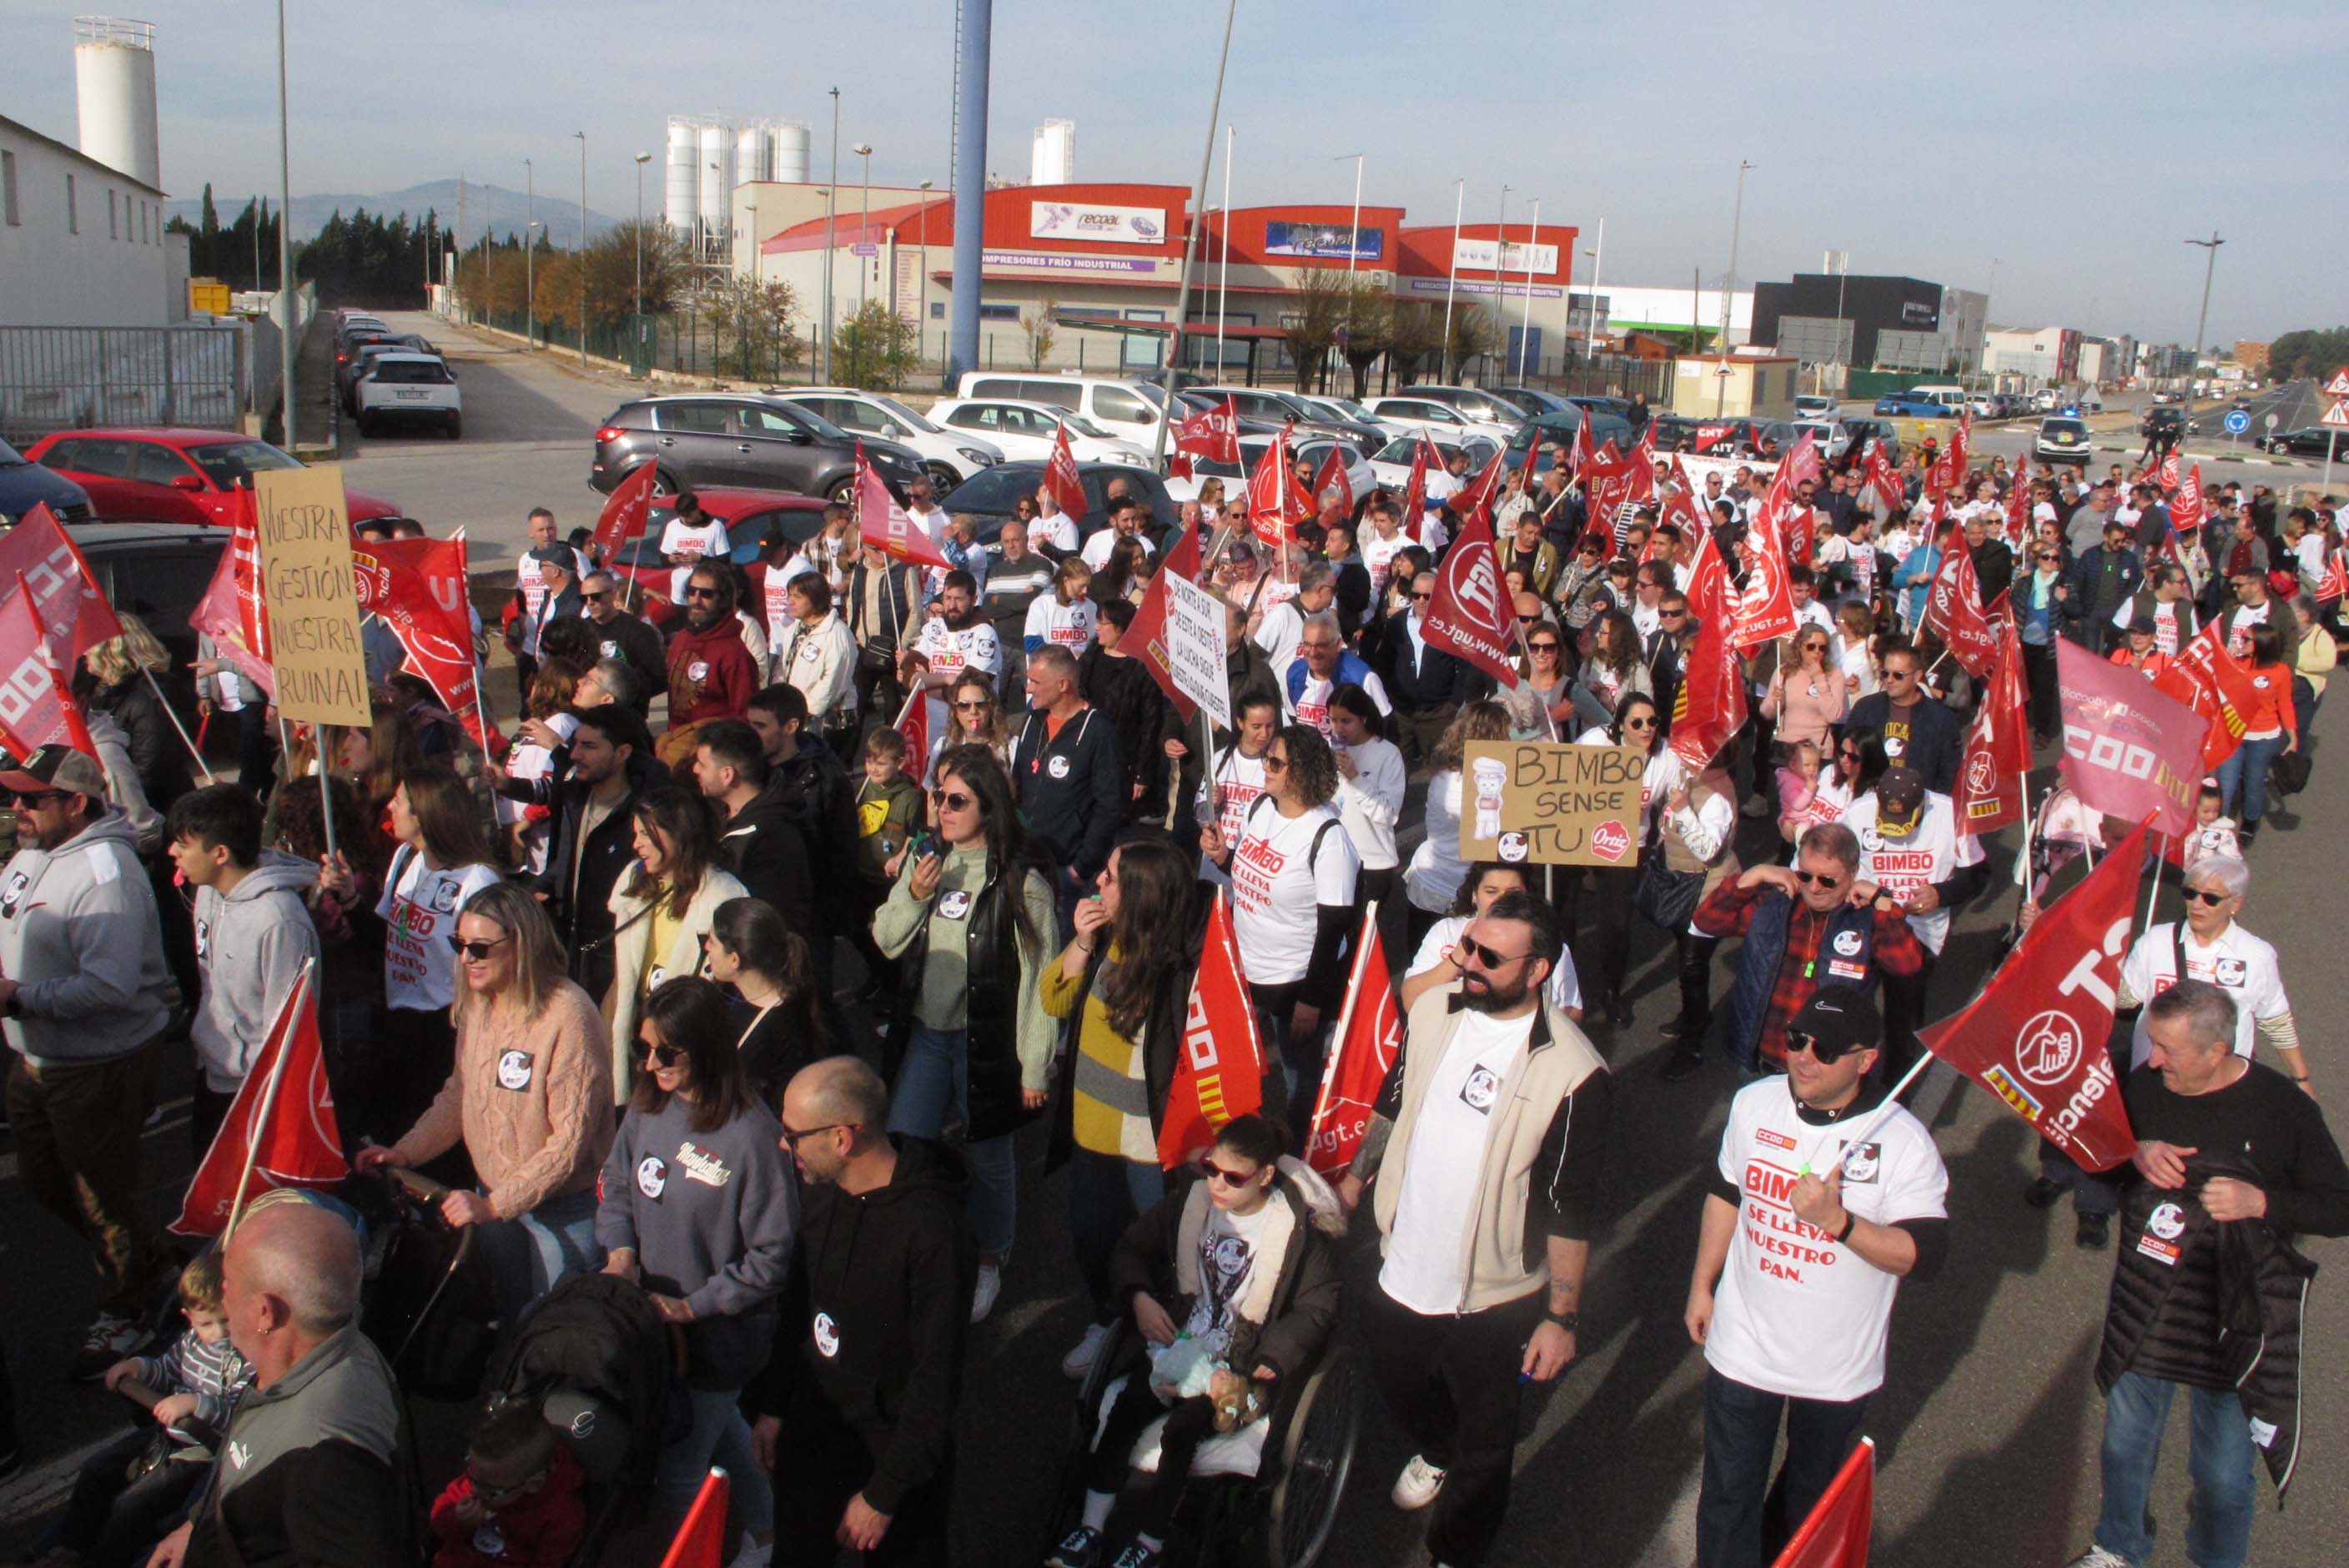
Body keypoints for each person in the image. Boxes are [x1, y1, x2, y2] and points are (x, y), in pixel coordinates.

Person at [1341, 890, 1612, 1568]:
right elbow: (1393, 1096)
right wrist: (1355, 1177)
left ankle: (1456, 1552)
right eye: (1465, 947)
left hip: (1494, 1299)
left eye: (1489, 957)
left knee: (1487, 1448)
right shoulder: (1434, 1009)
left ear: (1538, 970)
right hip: (1400, 1264)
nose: (1467, 964)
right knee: (1403, 1388)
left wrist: (1562, 1317)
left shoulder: (1577, 1074)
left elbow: (1569, 1205)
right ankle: (1437, 1449)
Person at [2061, 982, 2349, 1568]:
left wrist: (2261, 1202)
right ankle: (2119, 1547)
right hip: (2148, 1303)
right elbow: (2094, 1158)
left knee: (2221, 1476)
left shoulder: (2283, 1108)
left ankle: (2217, 1560)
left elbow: (2339, 1205)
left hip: (2237, 1314)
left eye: (2168, 1048)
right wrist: (2133, 1151)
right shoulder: (2143, 1087)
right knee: (2124, 1448)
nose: (2155, 1059)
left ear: (2217, 1051)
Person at [1686, 986, 1949, 1568]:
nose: (1803, 1056)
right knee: (1727, 1497)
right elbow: (1728, 1192)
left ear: (1866, 1060)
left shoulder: (1902, 1142)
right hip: (1743, 1345)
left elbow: (1925, 1256)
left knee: (1809, 1507)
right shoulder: (1755, 1104)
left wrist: (1840, 1223)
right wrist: (1703, 1283)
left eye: (1825, 1049)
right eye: (1797, 1039)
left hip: (1835, 1370)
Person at [1049, 1115, 1344, 1568]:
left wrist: (1275, 1357)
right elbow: (1129, 1249)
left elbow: (1318, 1305)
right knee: (1127, 1409)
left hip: (1240, 1358)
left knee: (1182, 1430)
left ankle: (1149, 1545)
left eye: (1233, 1177)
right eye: (1211, 1169)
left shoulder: (1293, 1232)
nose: (1217, 1185)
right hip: (1179, 1340)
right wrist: (1141, 1297)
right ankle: (1089, 1529)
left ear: (1265, 1176)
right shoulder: (1188, 1205)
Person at [757, 1057, 975, 1567]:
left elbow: (936, 1377)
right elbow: (797, 1304)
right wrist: (774, 1405)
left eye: (792, 1133)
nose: (782, 1145)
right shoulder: (823, 1193)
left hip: (893, 1449)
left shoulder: (934, 1234)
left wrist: (885, 1493)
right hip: (816, 1428)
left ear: (841, 1138)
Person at [598, 977, 795, 1541]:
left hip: (715, 1341)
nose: (650, 1063)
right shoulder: (646, 1104)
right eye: (644, 1048)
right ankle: (768, 1530)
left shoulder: (754, 1138)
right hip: (652, 1330)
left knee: (679, 1472)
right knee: (722, 1429)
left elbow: (772, 1257)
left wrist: (693, 1308)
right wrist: (621, 1254)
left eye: (665, 1052)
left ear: (705, 1048)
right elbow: (615, 1185)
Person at [0, 744, 174, 1377]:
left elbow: (110, 987)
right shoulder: (32, 853)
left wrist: (19, 997)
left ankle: (125, 1313)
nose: (17, 808)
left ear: (76, 803)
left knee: (101, 1196)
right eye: (13, 796)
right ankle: (148, 1258)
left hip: (97, 1064)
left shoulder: (106, 872)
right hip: (37, 1059)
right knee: (48, 1183)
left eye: (32, 799)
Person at [358, 883, 613, 1315]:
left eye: (480, 948)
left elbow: (570, 1143)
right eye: (459, 945)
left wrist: (495, 1206)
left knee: (551, 1329)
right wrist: (405, 1152)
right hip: (494, 1202)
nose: (466, 959)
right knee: (511, 1319)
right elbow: (460, 1094)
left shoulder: (569, 1014)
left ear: (523, 944)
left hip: (559, 1212)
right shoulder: (478, 1002)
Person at [873, 745, 1057, 1324]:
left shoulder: (1021, 885)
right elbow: (886, 940)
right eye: (938, 797)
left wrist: (1033, 1066)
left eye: (957, 801)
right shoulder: (925, 861)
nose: (943, 810)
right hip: (928, 1035)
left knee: (990, 1159)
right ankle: (911, 1249)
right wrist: (914, 894)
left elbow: (1039, 985)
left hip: (986, 1044)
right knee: (905, 1141)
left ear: (988, 808)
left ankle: (988, 1257)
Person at [156, 1202, 407, 1568]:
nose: (221, 1297)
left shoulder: (326, 1455)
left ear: (264, 1312)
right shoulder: (312, 1356)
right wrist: (197, 1524)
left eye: (227, 1284)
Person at [1039, 839, 1204, 1380]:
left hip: (1147, 1145)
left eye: (1110, 878)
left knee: (1157, 1250)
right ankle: (1108, 1320)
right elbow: (1052, 1001)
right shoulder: (1104, 939)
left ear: (1140, 895)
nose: (1097, 885)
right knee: (1090, 1235)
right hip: (1091, 1129)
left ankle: (1158, 1344)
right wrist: (1080, 945)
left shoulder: (1183, 974)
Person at [326, 763, 500, 1165]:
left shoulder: (477, 880)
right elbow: (387, 939)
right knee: (396, 1136)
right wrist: (351, 900)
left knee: (440, 1146)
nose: (390, 806)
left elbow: (489, 968)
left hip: (445, 1029)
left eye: (400, 800)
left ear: (425, 812)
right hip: (398, 1021)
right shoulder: (407, 857)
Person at [1198, 724, 1361, 1124]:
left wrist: (1312, 998)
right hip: (1248, 969)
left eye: (1275, 761)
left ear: (1300, 772)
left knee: (1299, 1079)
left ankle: (1298, 1153)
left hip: (1294, 983)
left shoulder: (1328, 837)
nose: (1264, 766)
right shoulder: (1261, 808)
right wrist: (1224, 857)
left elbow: (1334, 926)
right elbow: (1249, 873)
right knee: (1238, 1063)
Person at [57, 1254, 252, 1568]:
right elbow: (166, 1369)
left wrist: (196, 1405)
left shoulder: (247, 1357)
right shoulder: (191, 1343)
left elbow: (242, 1415)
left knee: (130, 1507)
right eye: (207, 1324)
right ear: (188, 1317)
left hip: (202, 1453)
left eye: (226, 1321)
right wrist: (138, 1368)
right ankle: (65, 1547)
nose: (219, 1333)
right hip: (167, 1435)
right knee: (98, 1469)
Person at [1688, 823, 1929, 1078]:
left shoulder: (1867, 920)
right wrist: (1751, 877)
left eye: (1827, 880)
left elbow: (1908, 965)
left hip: (1827, 1068)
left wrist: (1884, 904)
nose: (1814, 887)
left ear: (1854, 872)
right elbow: (1706, 921)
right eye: (1805, 876)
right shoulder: (1772, 905)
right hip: (1763, 1060)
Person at [167, 783, 320, 1158]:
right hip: (213, 1075)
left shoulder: (280, 920)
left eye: (183, 845)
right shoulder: (207, 892)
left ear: (220, 853)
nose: (172, 852)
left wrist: (271, 1100)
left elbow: (290, 1028)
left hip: (254, 1093)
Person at [1839, 765, 1987, 1083]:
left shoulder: (1952, 815)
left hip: (1920, 934)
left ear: (1923, 806)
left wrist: (1941, 893)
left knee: (1903, 1019)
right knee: (1851, 1006)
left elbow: (1978, 875)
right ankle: (1848, 1081)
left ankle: (1896, 1089)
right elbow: (1839, 862)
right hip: (1866, 925)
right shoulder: (1857, 813)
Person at [604, 787, 748, 1100]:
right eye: (636, 834)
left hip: (687, 1044)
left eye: (645, 834)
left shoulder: (722, 896)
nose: (636, 844)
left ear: (678, 833)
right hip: (640, 1033)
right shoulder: (634, 880)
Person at [529, 705, 662, 1006]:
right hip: (568, 953)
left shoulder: (645, 815)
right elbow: (564, 865)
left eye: (589, 746)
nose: (575, 755)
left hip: (616, 963)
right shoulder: (574, 799)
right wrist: (540, 889)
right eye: (575, 744)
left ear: (622, 753)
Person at [1010, 646, 1124, 928]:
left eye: (1036, 682)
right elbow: (1019, 786)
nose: (1028, 688)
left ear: (1063, 685)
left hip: (1067, 872)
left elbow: (1110, 807)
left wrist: (1079, 868)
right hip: (1025, 863)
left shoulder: (1098, 731)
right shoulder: (1032, 722)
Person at [1401, 861, 1582, 1020]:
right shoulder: (1446, 931)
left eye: (1513, 892)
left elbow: (1572, 1010)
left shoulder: (1545, 943)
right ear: (1474, 895)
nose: (1501, 900)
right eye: (1491, 891)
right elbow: (1411, 1002)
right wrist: (1459, 955)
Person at [692, 718, 817, 943]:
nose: (695, 769)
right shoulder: (720, 813)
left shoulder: (773, 837)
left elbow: (769, 920)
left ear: (727, 774)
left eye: (702, 764)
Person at [425, 1397, 586, 1568]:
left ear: (533, 1484)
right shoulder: (482, 1479)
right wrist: (458, 1520)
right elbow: (438, 1522)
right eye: (472, 1477)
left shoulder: (561, 1516)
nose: (475, 1490)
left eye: (492, 1490)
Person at [1401, 701, 1511, 948]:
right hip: (1444, 887)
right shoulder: (1458, 786)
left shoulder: (1448, 774)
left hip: (1450, 882)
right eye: (1504, 734)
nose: (1509, 740)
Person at [702, 895, 827, 1108]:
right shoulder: (729, 993)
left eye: (712, 942)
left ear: (734, 960)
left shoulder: (786, 1027)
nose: (706, 947)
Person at [2211, 621, 2297, 847]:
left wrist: (2293, 737)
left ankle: (2249, 822)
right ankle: (2220, 822)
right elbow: (2218, 688)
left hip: (2264, 737)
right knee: (2226, 784)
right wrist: (2226, 661)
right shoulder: (2236, 663)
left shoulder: (2280, 671)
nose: (2241, 641)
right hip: (2234, 733)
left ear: (2261, 644)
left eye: (2246, 639)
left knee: (2254, 784)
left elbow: (2285, 705)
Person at [1328, 684, 1406, 912]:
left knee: (1364, 936)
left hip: (1372, 862)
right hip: (1335, 856)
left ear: (1363, 718)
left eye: (1346, 721)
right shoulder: (1328, 749)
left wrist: (1355, 777)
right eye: (1333, 720)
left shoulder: (1387, 754)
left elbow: (1388, 815)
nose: (1339, 728)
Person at [1843, 641, 1959, 793]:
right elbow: (1845, 751)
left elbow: (1949, 771)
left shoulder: (1941, 718)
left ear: (1917, 676)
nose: (1889, 680)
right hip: (1867, 798)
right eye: (1885, 673)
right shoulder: (1866, 708)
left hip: (1917, 802)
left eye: (1898, 675)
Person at [665, 562, 760, 749]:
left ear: (722, 599)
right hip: (676, 747)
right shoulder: (682, 638)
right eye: (692, 591)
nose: (697, 599)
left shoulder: (735, 653)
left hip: (713, 753)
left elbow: (744, 716)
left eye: (706, 594)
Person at [1376, 574, 1468, 765]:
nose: (1421, 601)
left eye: (1428, 596)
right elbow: (1383, 663)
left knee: (1442, 768)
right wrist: (1389, 696)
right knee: (1396, 767)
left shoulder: (1452, 625)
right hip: (1402, 713)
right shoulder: (1397, 623)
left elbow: (1465, 666)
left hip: (1439, 714)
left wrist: (1454, 702)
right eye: (1416, 595)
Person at [772, 572, 859, 736]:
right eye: (789, 595)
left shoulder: (837, 633)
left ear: (816, 598)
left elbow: (833, 681)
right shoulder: (795, 628)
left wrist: (806, 709)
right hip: (800, 716)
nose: (790, 602)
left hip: (831, 721)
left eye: (797, 597)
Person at [578, 570, 665, 710]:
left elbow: (657, 676)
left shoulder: (638, 630)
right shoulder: (582, 630)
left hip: (627, 715)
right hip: (588, 715)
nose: (589, 603)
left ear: (613, 595)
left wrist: (626, 692)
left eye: (596, 597)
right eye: (584, 598)